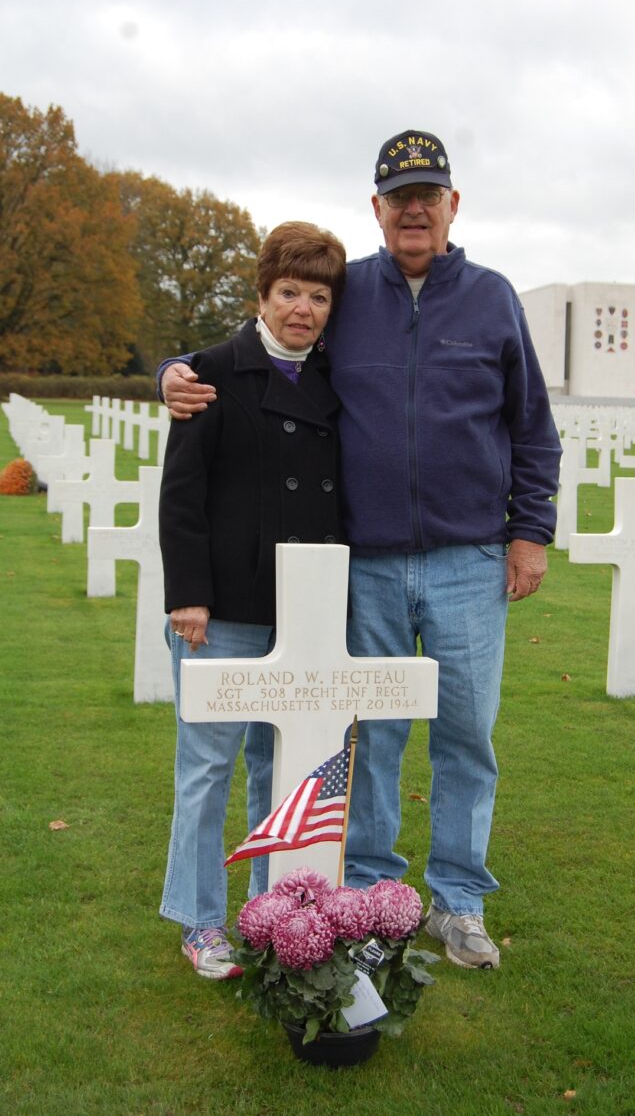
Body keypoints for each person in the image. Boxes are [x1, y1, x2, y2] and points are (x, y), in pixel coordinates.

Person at [160, 130, 562, 970]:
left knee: (465, 733)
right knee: (370, 734)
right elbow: (254, 355)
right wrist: (171, 370)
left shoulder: (492, 298)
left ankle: (457, 901)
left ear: (454, 205)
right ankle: (377, 899)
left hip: (468, 558)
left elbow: (531, 425)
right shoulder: (350, 293)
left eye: (429, 195)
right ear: (375, 208)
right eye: (398, 197)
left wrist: (530, 534)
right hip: (366, 563)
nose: (414, 209)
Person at [158, 220, 346, 979]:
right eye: (290, 292)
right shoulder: (207, 372)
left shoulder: (338, 379)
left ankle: (273, 914)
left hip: (305, 612)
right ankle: (202, 922)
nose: (303, 308)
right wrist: (189, 596)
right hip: (223, 608)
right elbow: (183, 495)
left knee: (284, 769)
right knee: (207, 768)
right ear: (261, 296)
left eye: (319, 295)